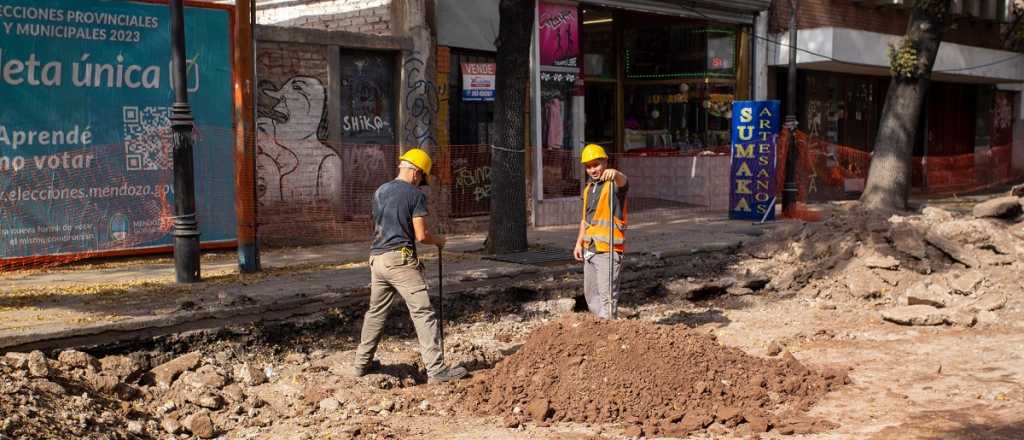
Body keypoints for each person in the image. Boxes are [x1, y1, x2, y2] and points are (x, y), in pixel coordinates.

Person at [351, 148, 468, 383]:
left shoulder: (380, 191)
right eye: (421, 177)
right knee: (423, 312)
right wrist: (439, 240)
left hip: (377, 259)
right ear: (416, 172)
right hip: (400, 262)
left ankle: (361, 364)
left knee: (375, 313)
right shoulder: (415, 195)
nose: (420, 182)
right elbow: (421, 235)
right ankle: (437, 370)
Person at [573, 144, 628, 319]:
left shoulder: (613, 185)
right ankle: (600, 327)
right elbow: (585, 220)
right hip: (590, 249)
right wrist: (579, 243)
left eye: (596, 164)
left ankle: (610, 328)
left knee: (607, 297)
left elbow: (624, 183)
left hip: (608, 250)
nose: (592, 170)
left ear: (605, 162)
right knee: (591, 296)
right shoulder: (589, 189)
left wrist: (616, 173)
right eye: (588, 167)